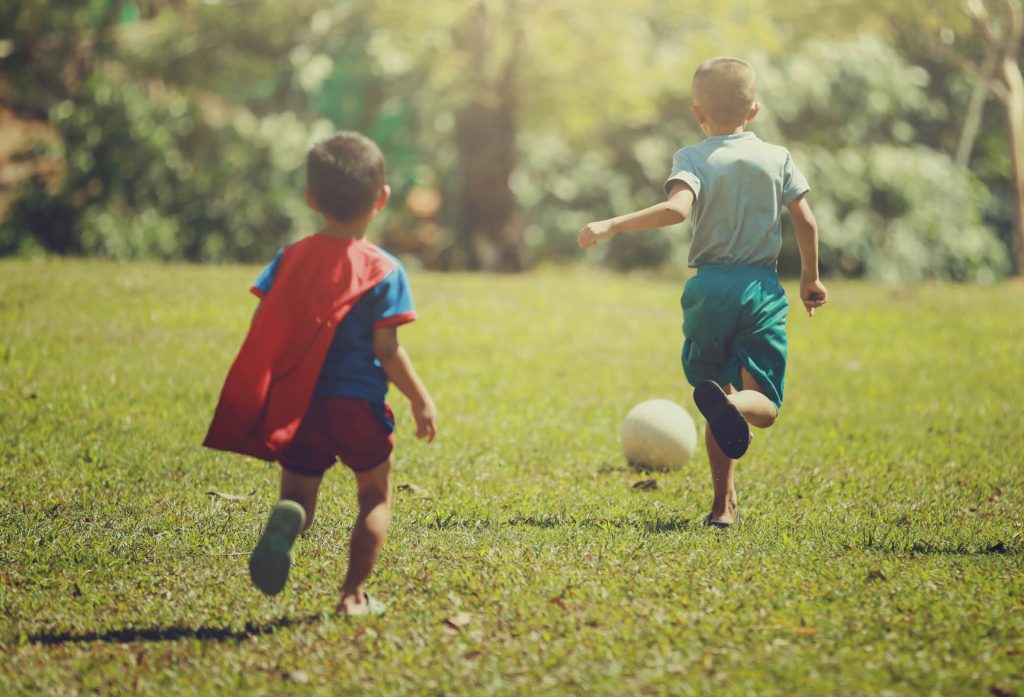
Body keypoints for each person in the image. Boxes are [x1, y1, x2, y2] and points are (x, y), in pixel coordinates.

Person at [577, 57, 827, 527]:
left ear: (698, 113)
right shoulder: (778, 157)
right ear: (754, 110)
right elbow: (806, 221)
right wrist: (810, 278)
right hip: (759, 287)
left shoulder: (692, 157)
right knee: (764, 406)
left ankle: (721, 508)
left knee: (717, 392)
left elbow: (676, 212)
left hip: (707, 290)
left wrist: (611, 223)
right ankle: (732, 411)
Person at [204, 131, 437, 614]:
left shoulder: (290, 258)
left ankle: (289, 522)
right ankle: (352, 595)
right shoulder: (385, 270)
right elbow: (387, 350)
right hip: (358, 407)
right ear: (382, 199)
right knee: (374, 494)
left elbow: (268, 323)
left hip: (301, 404)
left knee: (299, 496)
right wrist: (419, 398)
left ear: (311, 198)